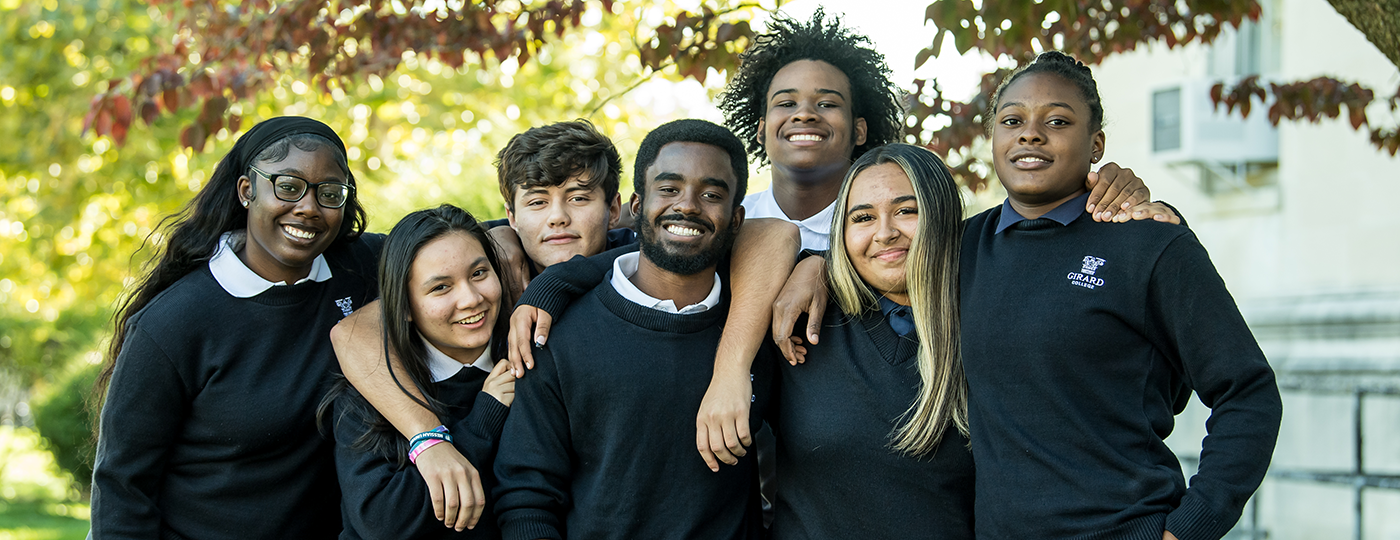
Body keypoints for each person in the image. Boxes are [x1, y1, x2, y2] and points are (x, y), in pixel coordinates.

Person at [329, 120, 797, 530]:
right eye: (537, 202)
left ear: (618, 210)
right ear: (509, 218)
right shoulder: (489, 283)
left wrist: (558, 280)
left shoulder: (672, 256)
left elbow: (772, 233)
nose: (558, 216)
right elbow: (352, 331)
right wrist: (427, 439)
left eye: (578, 198)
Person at [959, 51, 1281, 539]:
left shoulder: (1148, 241)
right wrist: (811, 265)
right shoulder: (959, 249)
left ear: (1096, 145)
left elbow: (1248, 392)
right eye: (1012, 120)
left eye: (1058, 120)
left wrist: (1191, 527)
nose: (1030, 133)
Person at [90, 117, 380, 539]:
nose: (309, 207)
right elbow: (122, 486)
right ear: (248, 190)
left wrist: (515, 295)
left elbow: (458, 247)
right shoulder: (174, 322)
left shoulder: (359, 268)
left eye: (329, 193)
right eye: (288, 186)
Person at [492, 119, 773, 540]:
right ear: (637, 207)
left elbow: (780, 236)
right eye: (669, 188)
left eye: (711, 194)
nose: (689, 205)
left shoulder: (758, 319)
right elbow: (526, 495)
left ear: (736, 219)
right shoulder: (548, 330)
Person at [768, 143, 973, 539]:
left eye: (906, 211)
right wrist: (817, 260)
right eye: (863, 217)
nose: (885, 232)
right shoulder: (802, 319)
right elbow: (755, 236)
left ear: (943, 216)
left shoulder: (986, 320)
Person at [322, 205, 515, 539]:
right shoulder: (370, 389)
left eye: (479, 274)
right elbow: (384, 522)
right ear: (405, 307)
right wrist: (483, 421)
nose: (470, 299)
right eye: (441, 287)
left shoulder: (528, 365)